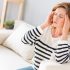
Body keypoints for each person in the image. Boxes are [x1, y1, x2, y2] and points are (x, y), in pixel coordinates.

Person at [20, 2, 70, 70]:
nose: (56, 18)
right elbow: (25, 40)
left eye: (60, 16)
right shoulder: (45, 29)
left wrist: (65, 34)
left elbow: (61, 60)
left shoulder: (67, 40)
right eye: (55, 14)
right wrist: (45, 24)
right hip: (34, 68)